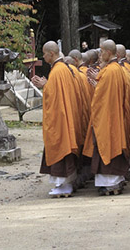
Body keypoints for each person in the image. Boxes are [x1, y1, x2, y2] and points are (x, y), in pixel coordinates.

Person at [32, 42, 85, 197]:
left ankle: (62, 185)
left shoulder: (57, 71)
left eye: (44, 53)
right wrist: (47, 85)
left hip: (60, 119)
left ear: (51, 53)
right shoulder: (66, 69)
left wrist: (45, 86)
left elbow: (54, 96)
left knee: (59, 146)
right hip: (66, 116)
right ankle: (64, 184)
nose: (43, 56)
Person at [82, 40, 130, 195]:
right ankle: (115, 181)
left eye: (102, 52)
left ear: (108, 52)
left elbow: (102, 98)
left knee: (106, 146)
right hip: (113, 116)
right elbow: (106, 91)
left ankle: (110, 183)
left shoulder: (110, 71)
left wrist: (98, 84)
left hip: (107, 118)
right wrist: (98, 82)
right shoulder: (115, 69)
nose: (100, 56)